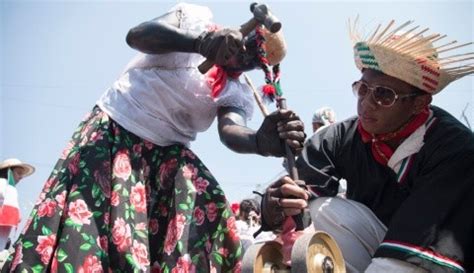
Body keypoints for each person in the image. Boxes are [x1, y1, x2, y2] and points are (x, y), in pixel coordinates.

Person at [1, 3, 305, 272]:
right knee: (97, 232)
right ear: (245, 32)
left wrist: (258, 142)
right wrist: (199, 43)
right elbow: (137, 36)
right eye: (247, 49)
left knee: (208, 201)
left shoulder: (234, 91)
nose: (243, 60)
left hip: (166, 157)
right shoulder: (194, 21)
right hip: (115, 132)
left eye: (253, 62)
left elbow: (230, 132)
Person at [260, 19, 474, 272]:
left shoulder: (454, 147)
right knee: (320, 211)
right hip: (373, 247)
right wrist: (275, 205)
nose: (367, 103)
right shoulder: (342, 136)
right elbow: (299, 199)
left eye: (384, 94)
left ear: (419, 103)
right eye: (363, 89)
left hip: (426, 260)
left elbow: (429, 242)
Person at [0, 159, 35, 250]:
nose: (21, 177)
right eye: (19, 173)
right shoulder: (2, 183)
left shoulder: (10, 190)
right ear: (9, 172)